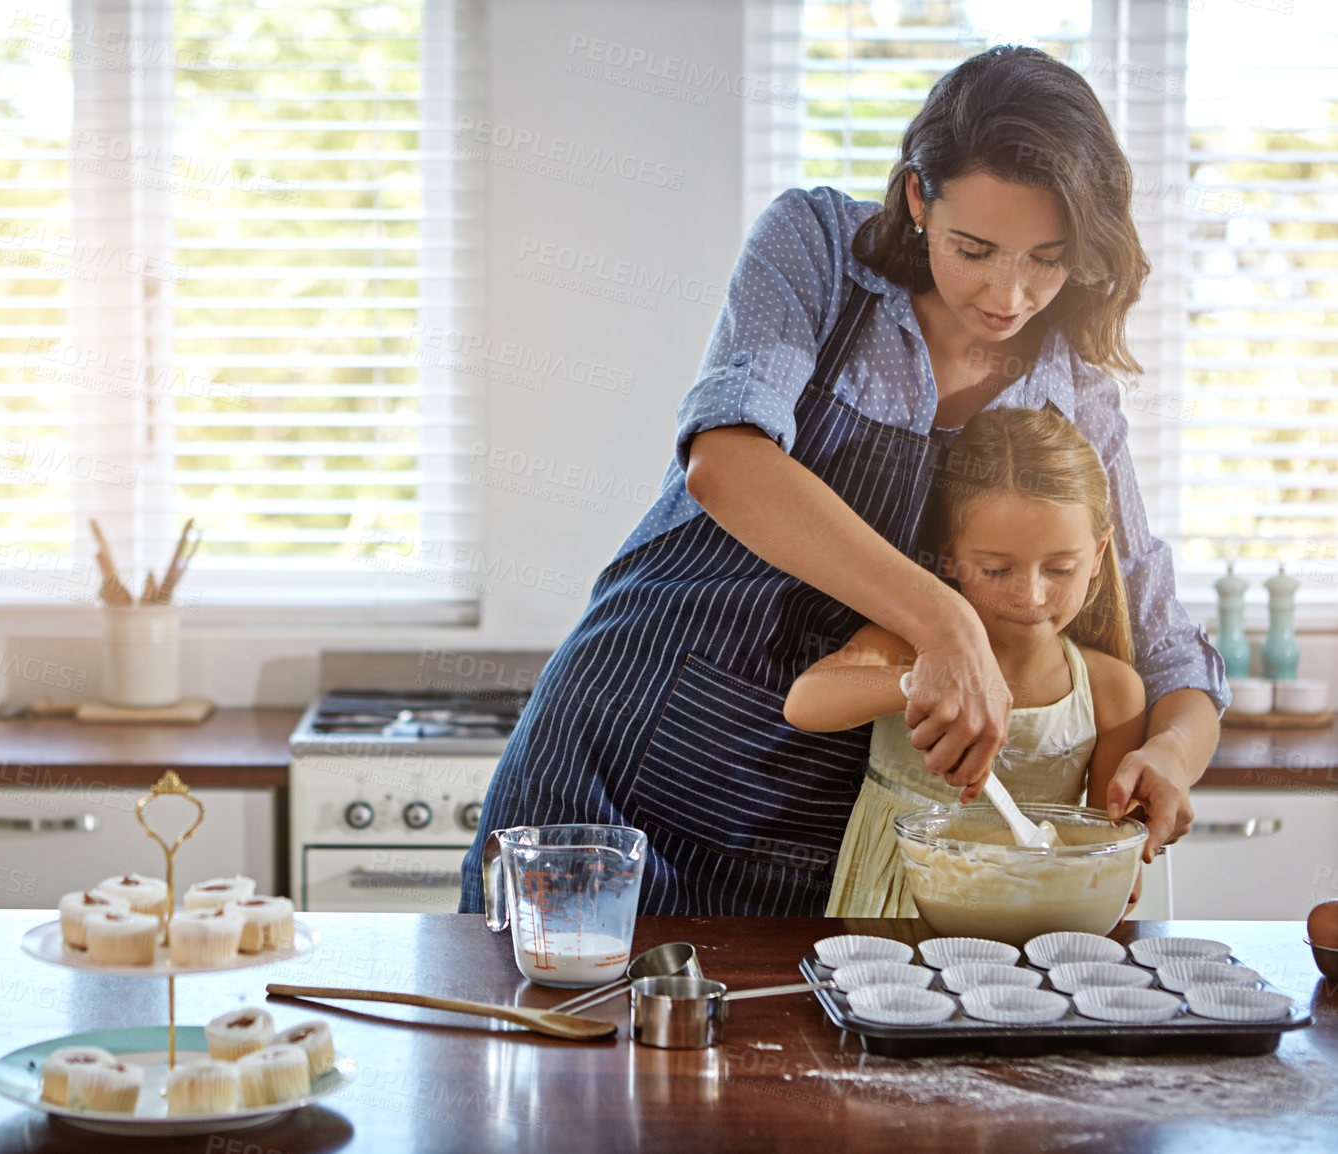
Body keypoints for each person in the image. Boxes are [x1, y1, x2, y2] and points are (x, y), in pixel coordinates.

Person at [459, 46, 1229, 918]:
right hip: (623, 758)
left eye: (1046, 260)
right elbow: (727, 461)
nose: (1008, 294)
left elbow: (1165, 641)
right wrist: (944, 621)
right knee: (550, 1043)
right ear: (915, 198)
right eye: (974, 248)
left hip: (831, 837)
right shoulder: (821, 251)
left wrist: (1170, 756)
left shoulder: (1073, 392)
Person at [786, 406, 1148, 916]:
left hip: (1034, 917)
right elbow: (805, 703)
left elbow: (1102, 842)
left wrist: (1112, 867)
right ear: (948, 555)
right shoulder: (909, 644)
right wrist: (920, 683)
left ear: (1098, 553)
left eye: (1060, 568)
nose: (1031, 594)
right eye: (997, 570)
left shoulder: (1112, 690)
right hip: (895, 905)